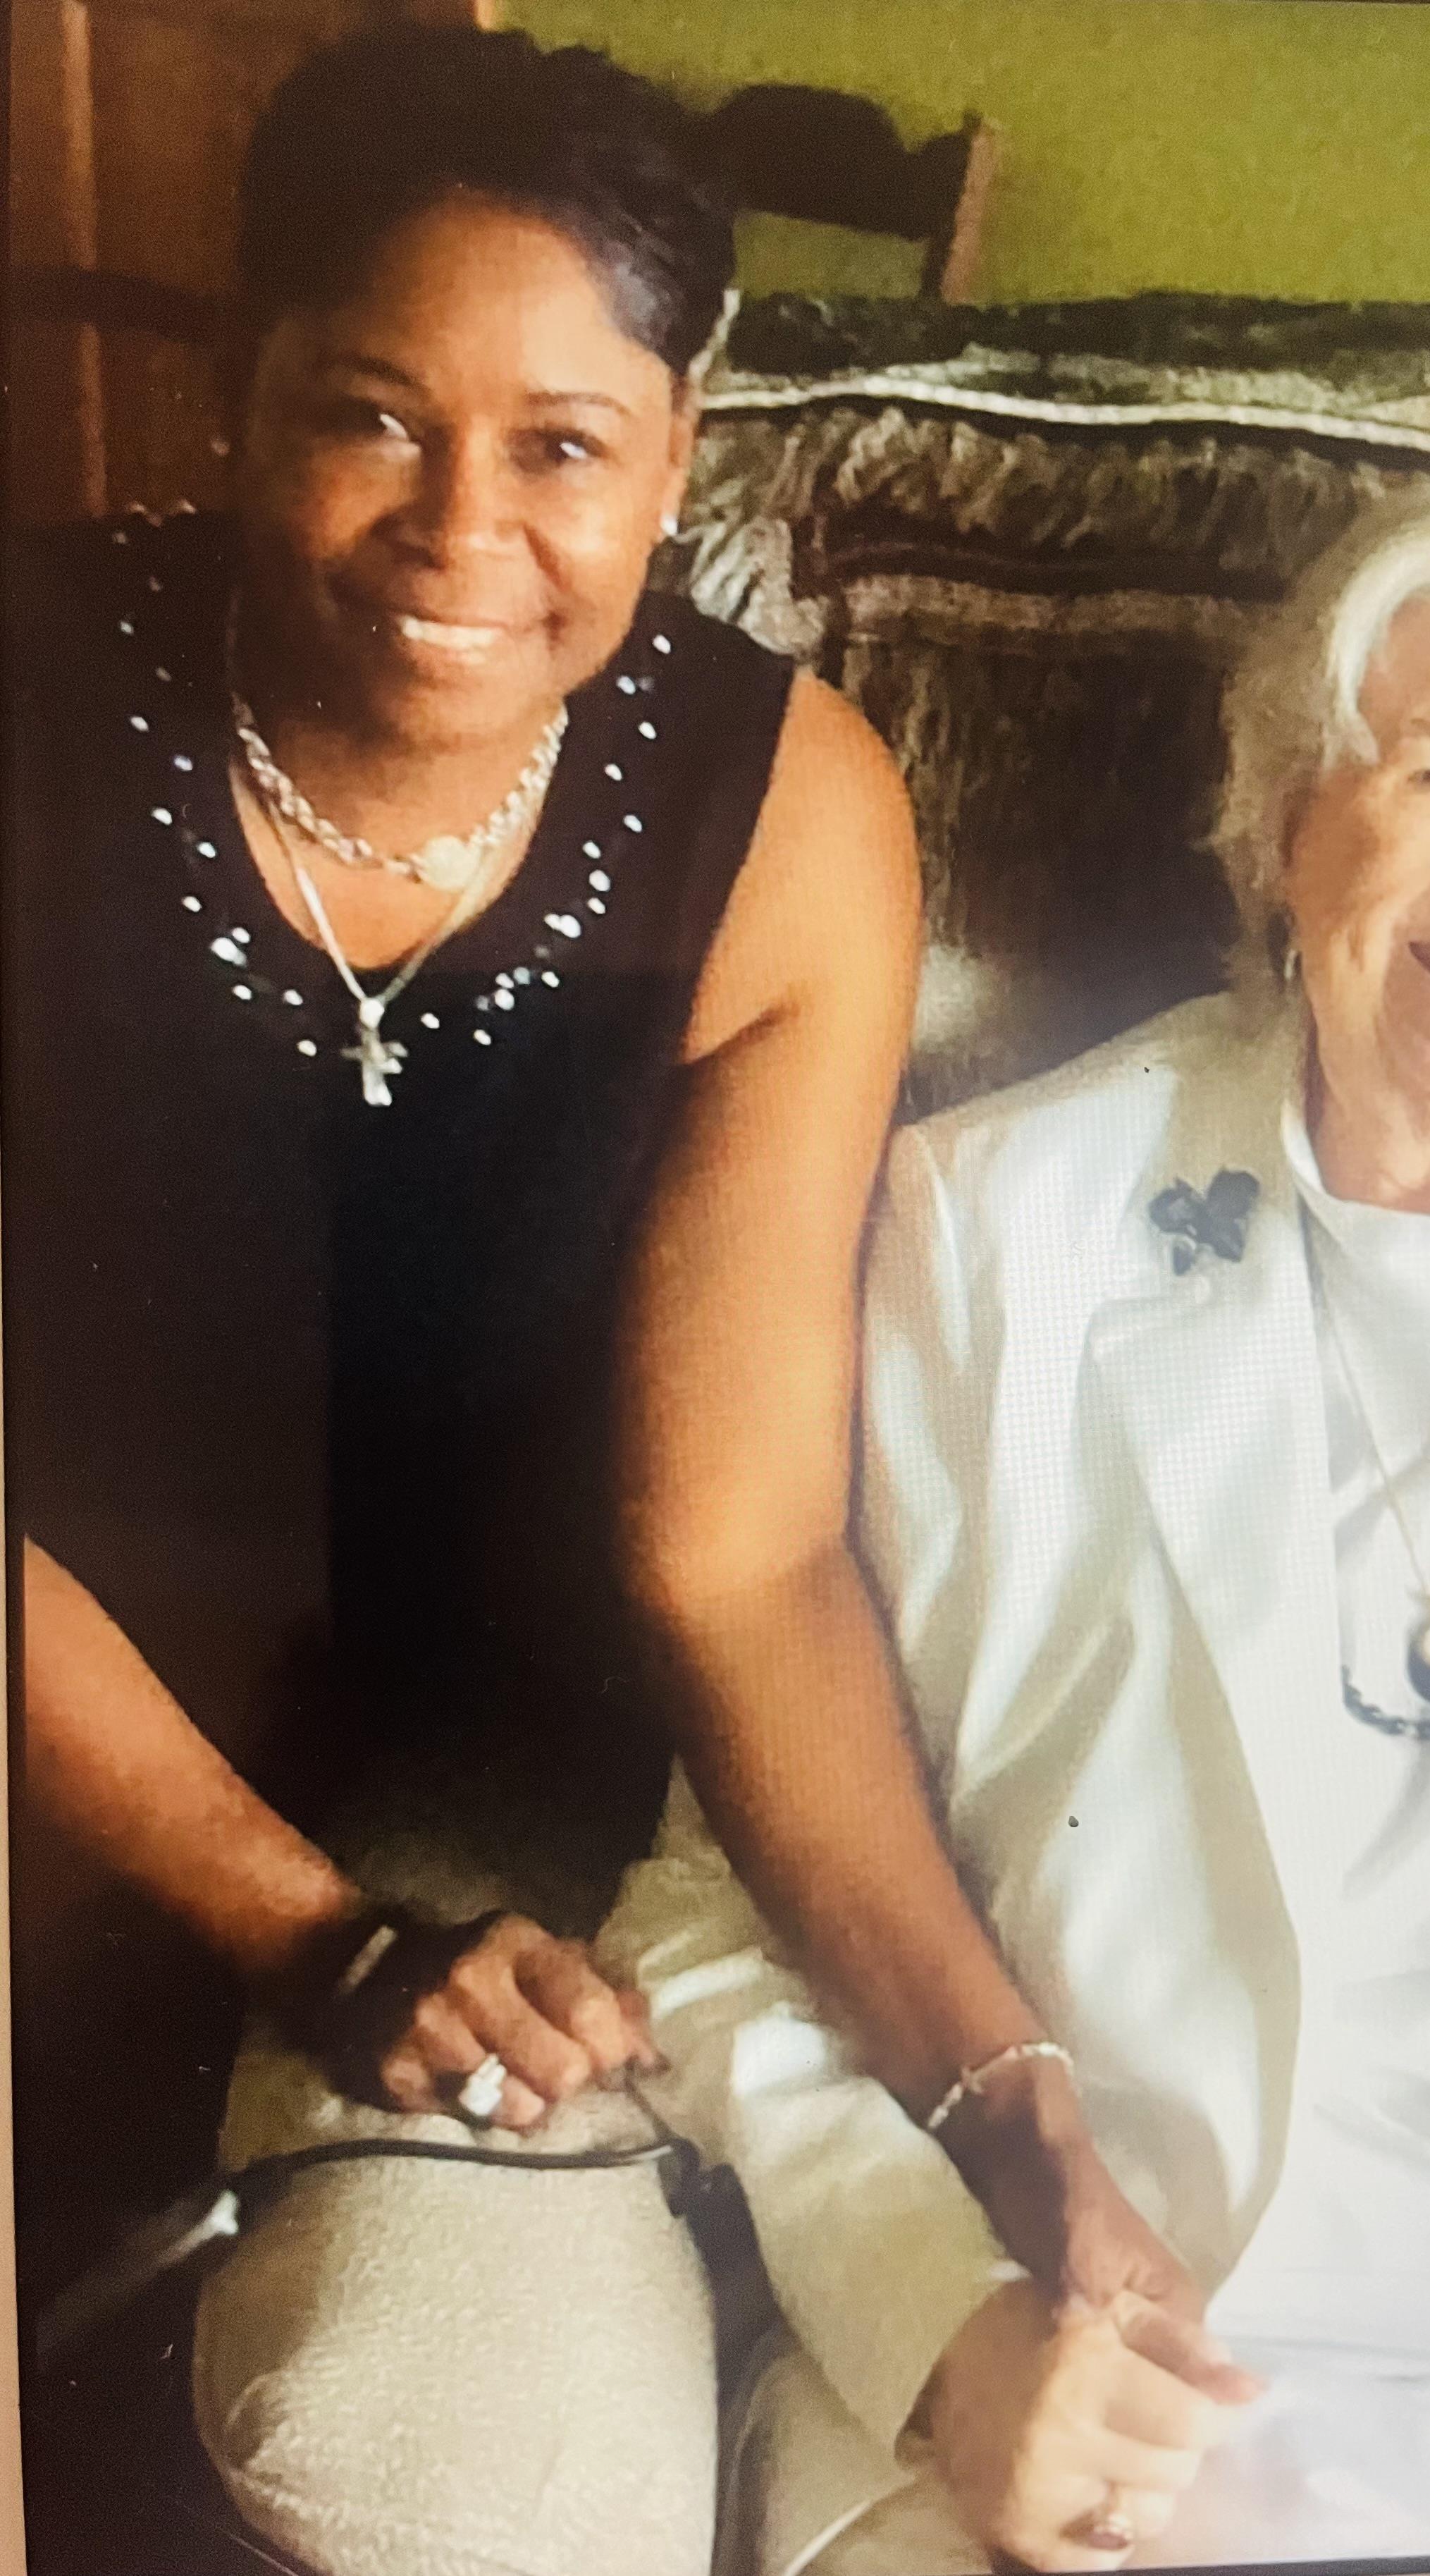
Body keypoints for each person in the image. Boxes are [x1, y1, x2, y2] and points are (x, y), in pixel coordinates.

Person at [8, 25, 1178, 2565]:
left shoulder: (786, 818)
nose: (463, 532)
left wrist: (1002, 2097)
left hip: (472, 1774)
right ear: (236, 390)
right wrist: (306, 1936)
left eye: (562, 444)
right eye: (370, 415)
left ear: (680, 444)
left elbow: (731, 1556)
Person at [558, 471, 1430, 2575]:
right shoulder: (992, 1236)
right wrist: (939, 2328)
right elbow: (721, 1892)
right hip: (1177, 2342)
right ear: (1287, 826)